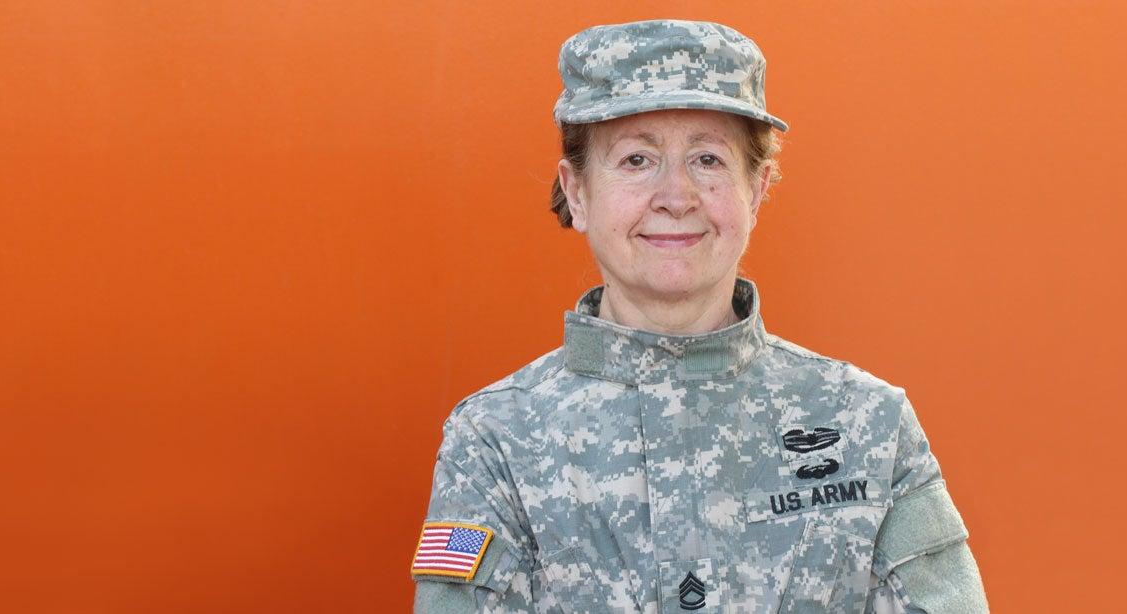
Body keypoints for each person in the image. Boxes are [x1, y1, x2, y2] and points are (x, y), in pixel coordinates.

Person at [411, 19, 988, 613]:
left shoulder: (869, 423)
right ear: (577, 192)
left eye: (708, 159)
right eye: (636, 159)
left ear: (756, 189)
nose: (676, 196)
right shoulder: (496, 442)